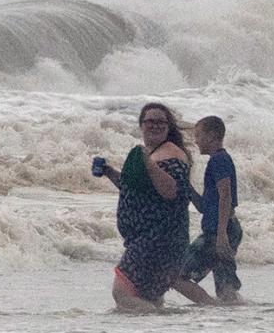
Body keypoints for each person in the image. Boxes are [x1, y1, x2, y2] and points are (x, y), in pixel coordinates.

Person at [95, 101, 217, 312]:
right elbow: (132, 188)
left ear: (168, 127)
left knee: (122, 294)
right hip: (151, 240)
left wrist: (148, 165)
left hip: (157, 240)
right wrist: (108, 171)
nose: (155, 125)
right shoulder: (151, 153)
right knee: (146, 299)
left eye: (161, 122)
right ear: (141, 125)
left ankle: (166, 322)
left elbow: (172, 190)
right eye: (149, 121)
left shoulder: (171, 153)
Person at [185, 116, 244, 303]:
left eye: (198, 135)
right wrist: (186, 187)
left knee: (176, 273)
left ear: (211, 136)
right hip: (225, 228)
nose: (196, 140)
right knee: (226, 289)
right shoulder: (218, 160)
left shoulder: (219, 160)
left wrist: (221, 234)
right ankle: (227, 317)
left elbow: (226, 195)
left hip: (220, 231)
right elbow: (204, 207)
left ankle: (209, 307)